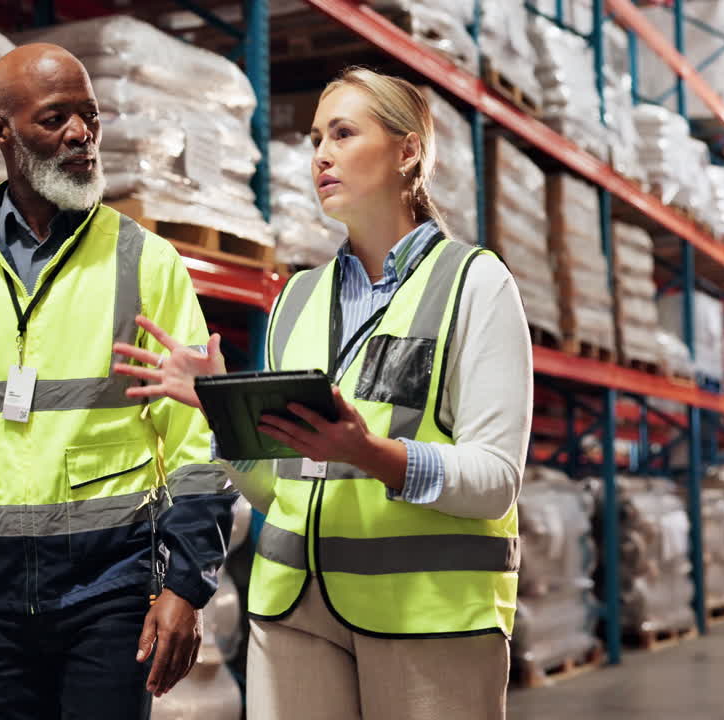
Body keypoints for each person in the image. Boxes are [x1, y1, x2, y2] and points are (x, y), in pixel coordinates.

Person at [113, 67, 531, 719]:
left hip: (428, 616)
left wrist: (371, 454)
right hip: (291, 614)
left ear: (408, 151)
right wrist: (221, 411)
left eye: (343, 133)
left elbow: (496, 480)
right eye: (315, 140)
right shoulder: (297, 298)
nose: (321, 156)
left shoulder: (475, 285)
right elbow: (279, 491)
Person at [0, 43, 236, 720]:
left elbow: (197, 436)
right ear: (0, 131)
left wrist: (186, 583)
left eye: (89, 116)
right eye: (54, 118)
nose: (80, 133)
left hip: (112, 589)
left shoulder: (146, 264)